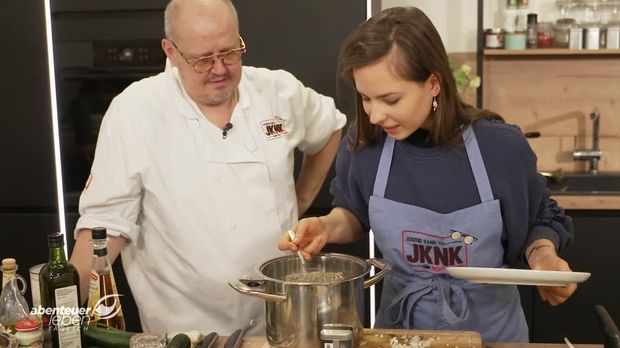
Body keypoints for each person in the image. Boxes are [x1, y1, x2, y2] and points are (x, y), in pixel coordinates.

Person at [278, 6, 576, 343]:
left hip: (491, 334)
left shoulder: (500, 147)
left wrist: (545, 258)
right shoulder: (366, 146)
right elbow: (354, 213)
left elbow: (541, 217)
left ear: (433, 83)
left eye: (390, 99)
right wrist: (326, 226)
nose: (375, 115)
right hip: (402, 332)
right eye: (365, 98)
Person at [69, 0, 346, 335]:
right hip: (186, 335)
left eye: (230, 52)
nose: (219, 69)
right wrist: (57, 311)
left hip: (281, 326)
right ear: (170, 51)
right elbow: (102, 230)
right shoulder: (135, 112)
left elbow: (329, 126)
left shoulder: (277, 91)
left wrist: (301, 201)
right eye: (202, 59)